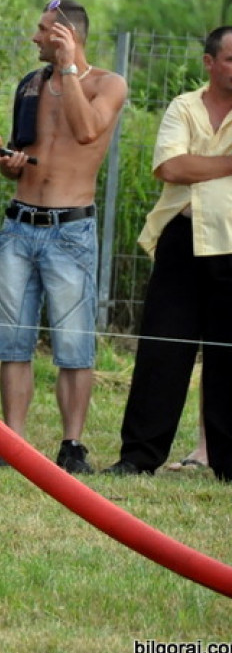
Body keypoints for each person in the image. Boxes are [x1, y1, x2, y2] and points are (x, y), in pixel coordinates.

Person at [0, 0, 127, 474]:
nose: (35, 37)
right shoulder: (30, 84)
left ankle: (73, 445)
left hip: (69, 230)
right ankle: (13, 441)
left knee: (73, 344)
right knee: (12, 341)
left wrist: (69, 70)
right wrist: (10, 164)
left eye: (45, 30)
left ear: (68, 35)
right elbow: (26, 154)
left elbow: (88, 132)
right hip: (19, 224)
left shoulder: (108, 84)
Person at [103, 26, 232, 482]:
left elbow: (186, 166)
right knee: (162, 350)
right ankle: (138, 457)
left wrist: (199, 167)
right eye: (231, 59)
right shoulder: (183, 106)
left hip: (231, 244)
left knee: (228, 356)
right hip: (181, 238)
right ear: (210, 62)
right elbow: (170, 167)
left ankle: (227, 464)